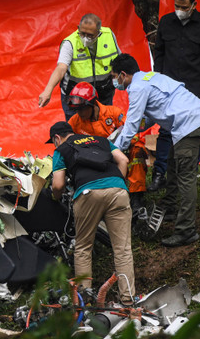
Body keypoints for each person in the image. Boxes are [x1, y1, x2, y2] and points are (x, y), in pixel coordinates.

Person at [111, 53, 200, 247]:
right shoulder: (150, 77)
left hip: (189, 124)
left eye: (115, 77)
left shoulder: (137, 87)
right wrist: (133, 127)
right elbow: (149, 116)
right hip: (195, 118)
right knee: (173, 164)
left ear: (123, 74)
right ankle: (170, 207)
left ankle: (186, 230)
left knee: (185, 177)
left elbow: (131, 126)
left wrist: (114, 150)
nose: (115, 81)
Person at [48, 121, 135, 305]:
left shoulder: (61, 149)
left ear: (57, 138)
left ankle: (85, 301)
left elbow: (58, 185)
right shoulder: (101, 140)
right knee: (123, 249)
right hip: (118, 191)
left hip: (88, 194)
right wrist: (116, 184)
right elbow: (123, 160)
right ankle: (127, 301)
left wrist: (56, 198)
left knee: (83, 248)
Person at [150, 0, 200, 191]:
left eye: (184, 6)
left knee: (194, 131)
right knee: (166, 131)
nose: (179, 10)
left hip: (196, 87)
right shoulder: (166, 22)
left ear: (194, 5)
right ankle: (160, 173)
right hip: (170, 87)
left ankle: (189, 171)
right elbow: (159, 54)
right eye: (176, 6)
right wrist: (158, 82)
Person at [67, 82, 148, 213]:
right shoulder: (74, 122)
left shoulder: (114, 114)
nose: (79, 113)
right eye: (77, 109)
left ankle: (136, 196)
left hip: (118, 154)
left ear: (92, 104)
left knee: (138, 150)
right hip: (93, 160)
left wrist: (118, 146)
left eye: (82, 108)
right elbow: (67, 145)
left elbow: (133, 133)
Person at [38, 14, 121, 121]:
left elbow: (119, 59)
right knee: (76, 133)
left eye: (90, 35)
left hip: (103, 95)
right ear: (78, 28)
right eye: (82, 33)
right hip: (75, 99)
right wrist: (47, 91)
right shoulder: (70, 43)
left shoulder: (109, 36)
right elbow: (61, 68)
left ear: (98, 32)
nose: (85, 38)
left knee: (105, 128)